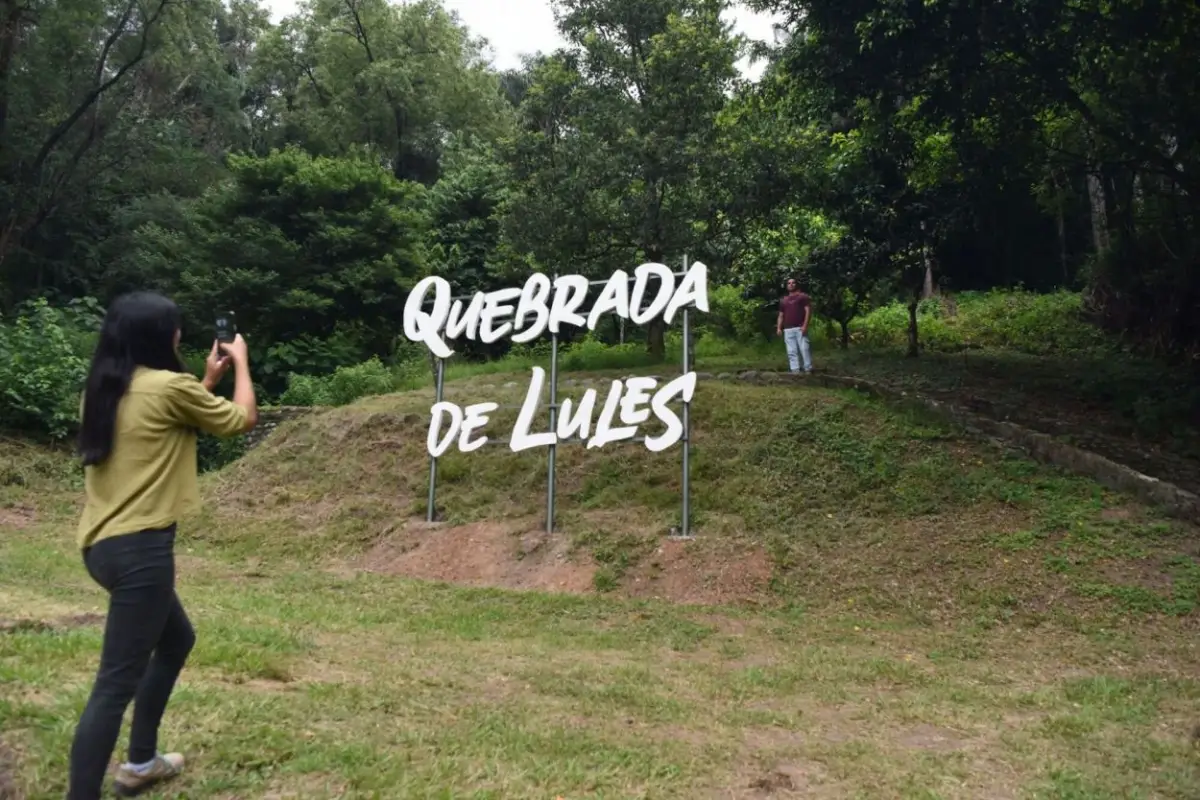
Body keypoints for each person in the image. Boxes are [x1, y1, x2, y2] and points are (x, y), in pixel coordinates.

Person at [69, 291, 257, 799]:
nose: (179, 335)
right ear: (161, 337)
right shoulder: (169, 387)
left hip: (102, 547)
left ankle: (141, 762)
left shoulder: (103, 389)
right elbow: (241, 420)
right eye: (175, 328)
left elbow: (165, 417)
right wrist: (239, 364)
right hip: (140, 553)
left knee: (176, 640)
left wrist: (209, 380)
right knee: (113, 686)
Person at [776, 277, 813, 374]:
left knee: (804, 349)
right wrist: (779, 327)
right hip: (788, 329)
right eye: (789, 283)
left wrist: (805, 325)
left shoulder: (802, 297)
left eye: (793, 283)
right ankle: (795, 370)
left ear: (796, 284)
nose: (791, 284)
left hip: (800, 327)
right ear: (786, 286)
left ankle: (808, 369)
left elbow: (807, 311)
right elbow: (781, 315)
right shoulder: (784, 300)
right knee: (791, 351)